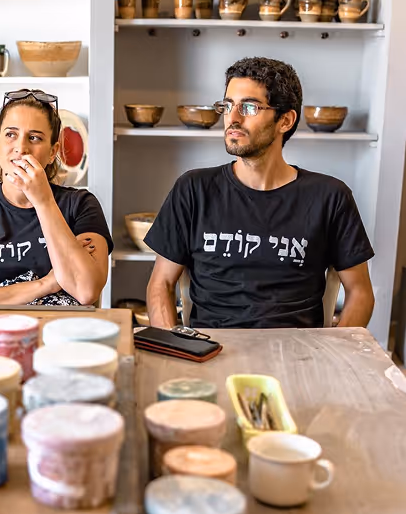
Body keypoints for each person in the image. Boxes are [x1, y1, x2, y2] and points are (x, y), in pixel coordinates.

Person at [145, 57, 375, 329]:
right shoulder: (194, 189)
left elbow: (360, 293)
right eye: (228, 105)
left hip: (296, 356)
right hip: (210, 352)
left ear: (285, 121)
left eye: (249, 107)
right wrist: (177, 349)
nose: (233, 117)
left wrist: (333, 357)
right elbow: (161, 283)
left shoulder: (329, 197)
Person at [0, 89, 112, 306]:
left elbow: (87, 291)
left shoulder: (80, 205)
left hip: (61, 334)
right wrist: (45, 284)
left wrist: (43, 201)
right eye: (11, 134)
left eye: (34, 138)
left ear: (52, 152)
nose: (21, 148)